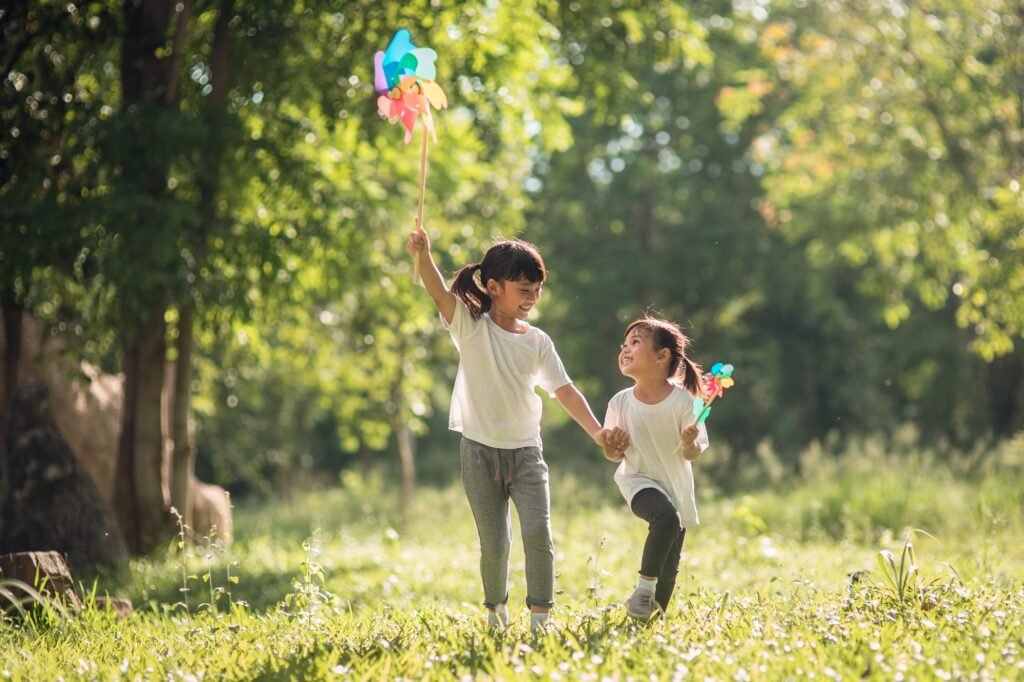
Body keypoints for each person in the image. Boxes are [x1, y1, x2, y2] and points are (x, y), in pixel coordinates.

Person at [408, 219, 608, 631]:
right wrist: (424, 254)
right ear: (493, 286)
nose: (532, 298)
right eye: (524, 290)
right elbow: (437, 291)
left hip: (526, 452)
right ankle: (495, 611)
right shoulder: (470, 326)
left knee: (538, 532)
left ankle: (541, 617)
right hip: (478, 450)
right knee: (495, 543)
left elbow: (566, 390)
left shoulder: (538, 341)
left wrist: (598, 432)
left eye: (537, 290)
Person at [600, 316, 710, 620]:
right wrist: (613, 447)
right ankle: (644, 589)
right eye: (624, 345)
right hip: (638, 481)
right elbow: (613, 454)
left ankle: (650, 617)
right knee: (665, 518)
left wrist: (688, 443)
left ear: (662, 356)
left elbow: (695, 452)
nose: (625, 350)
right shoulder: (619, 402)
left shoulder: (687, 401)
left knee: (670, 568)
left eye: (635, 343)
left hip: (676, 486)